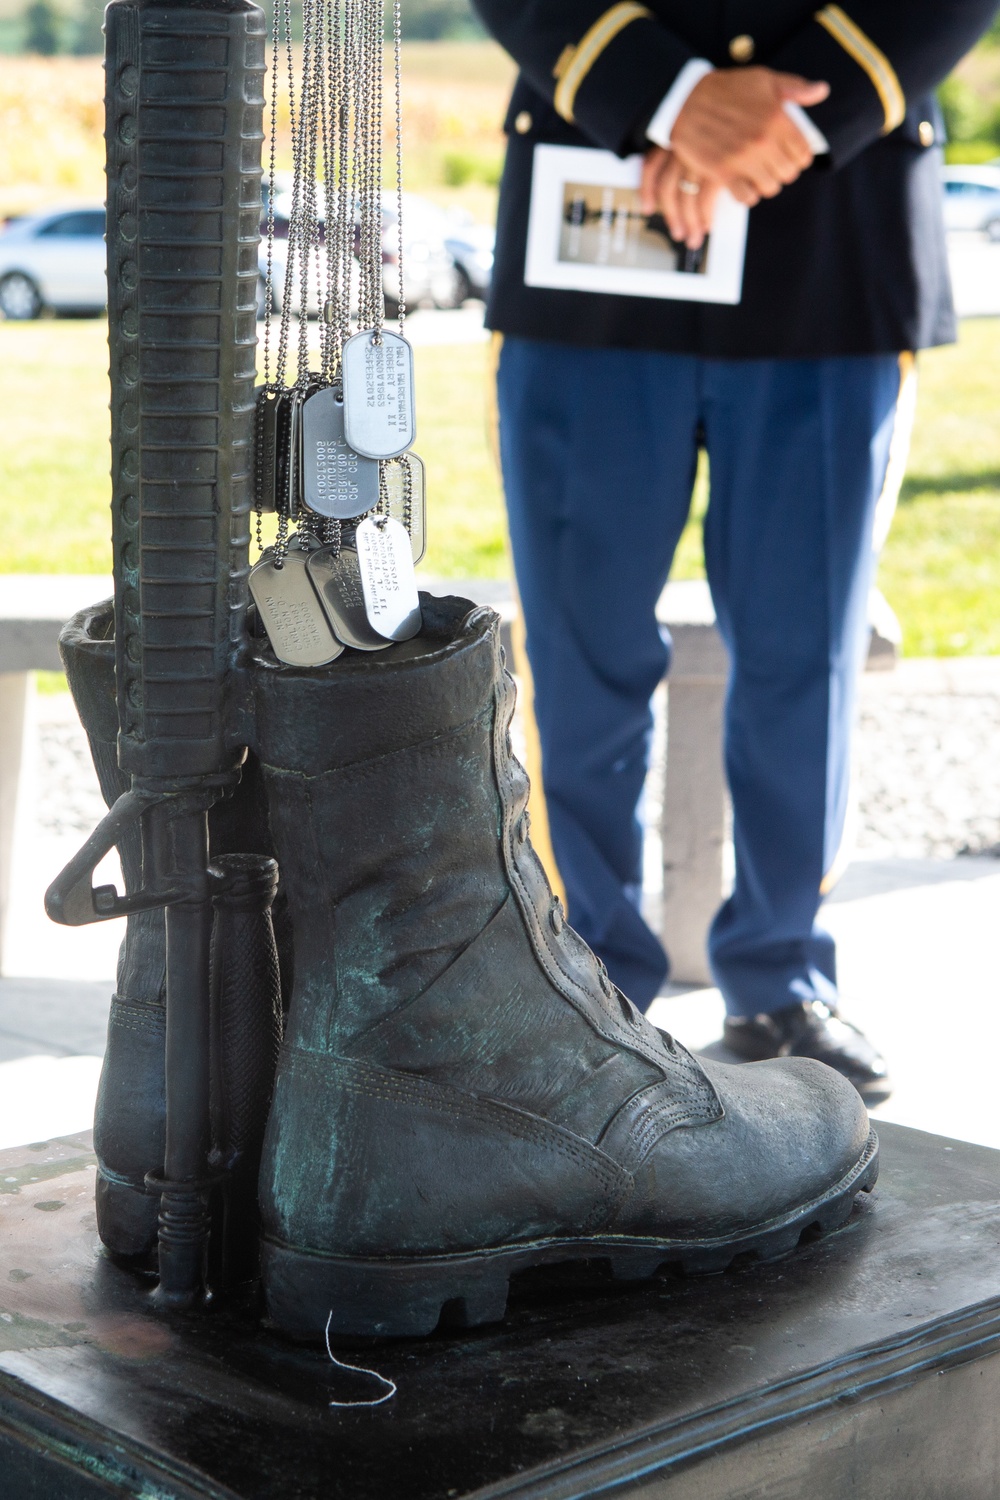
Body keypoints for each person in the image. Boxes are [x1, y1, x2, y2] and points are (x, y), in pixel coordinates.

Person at [472, 0, 996, 1101]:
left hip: (831, 233)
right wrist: (669, 103)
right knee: (576, 649)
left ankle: (777, 981)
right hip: (597, 218)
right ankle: (586, 983)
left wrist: (775, 125)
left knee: (804, 650)